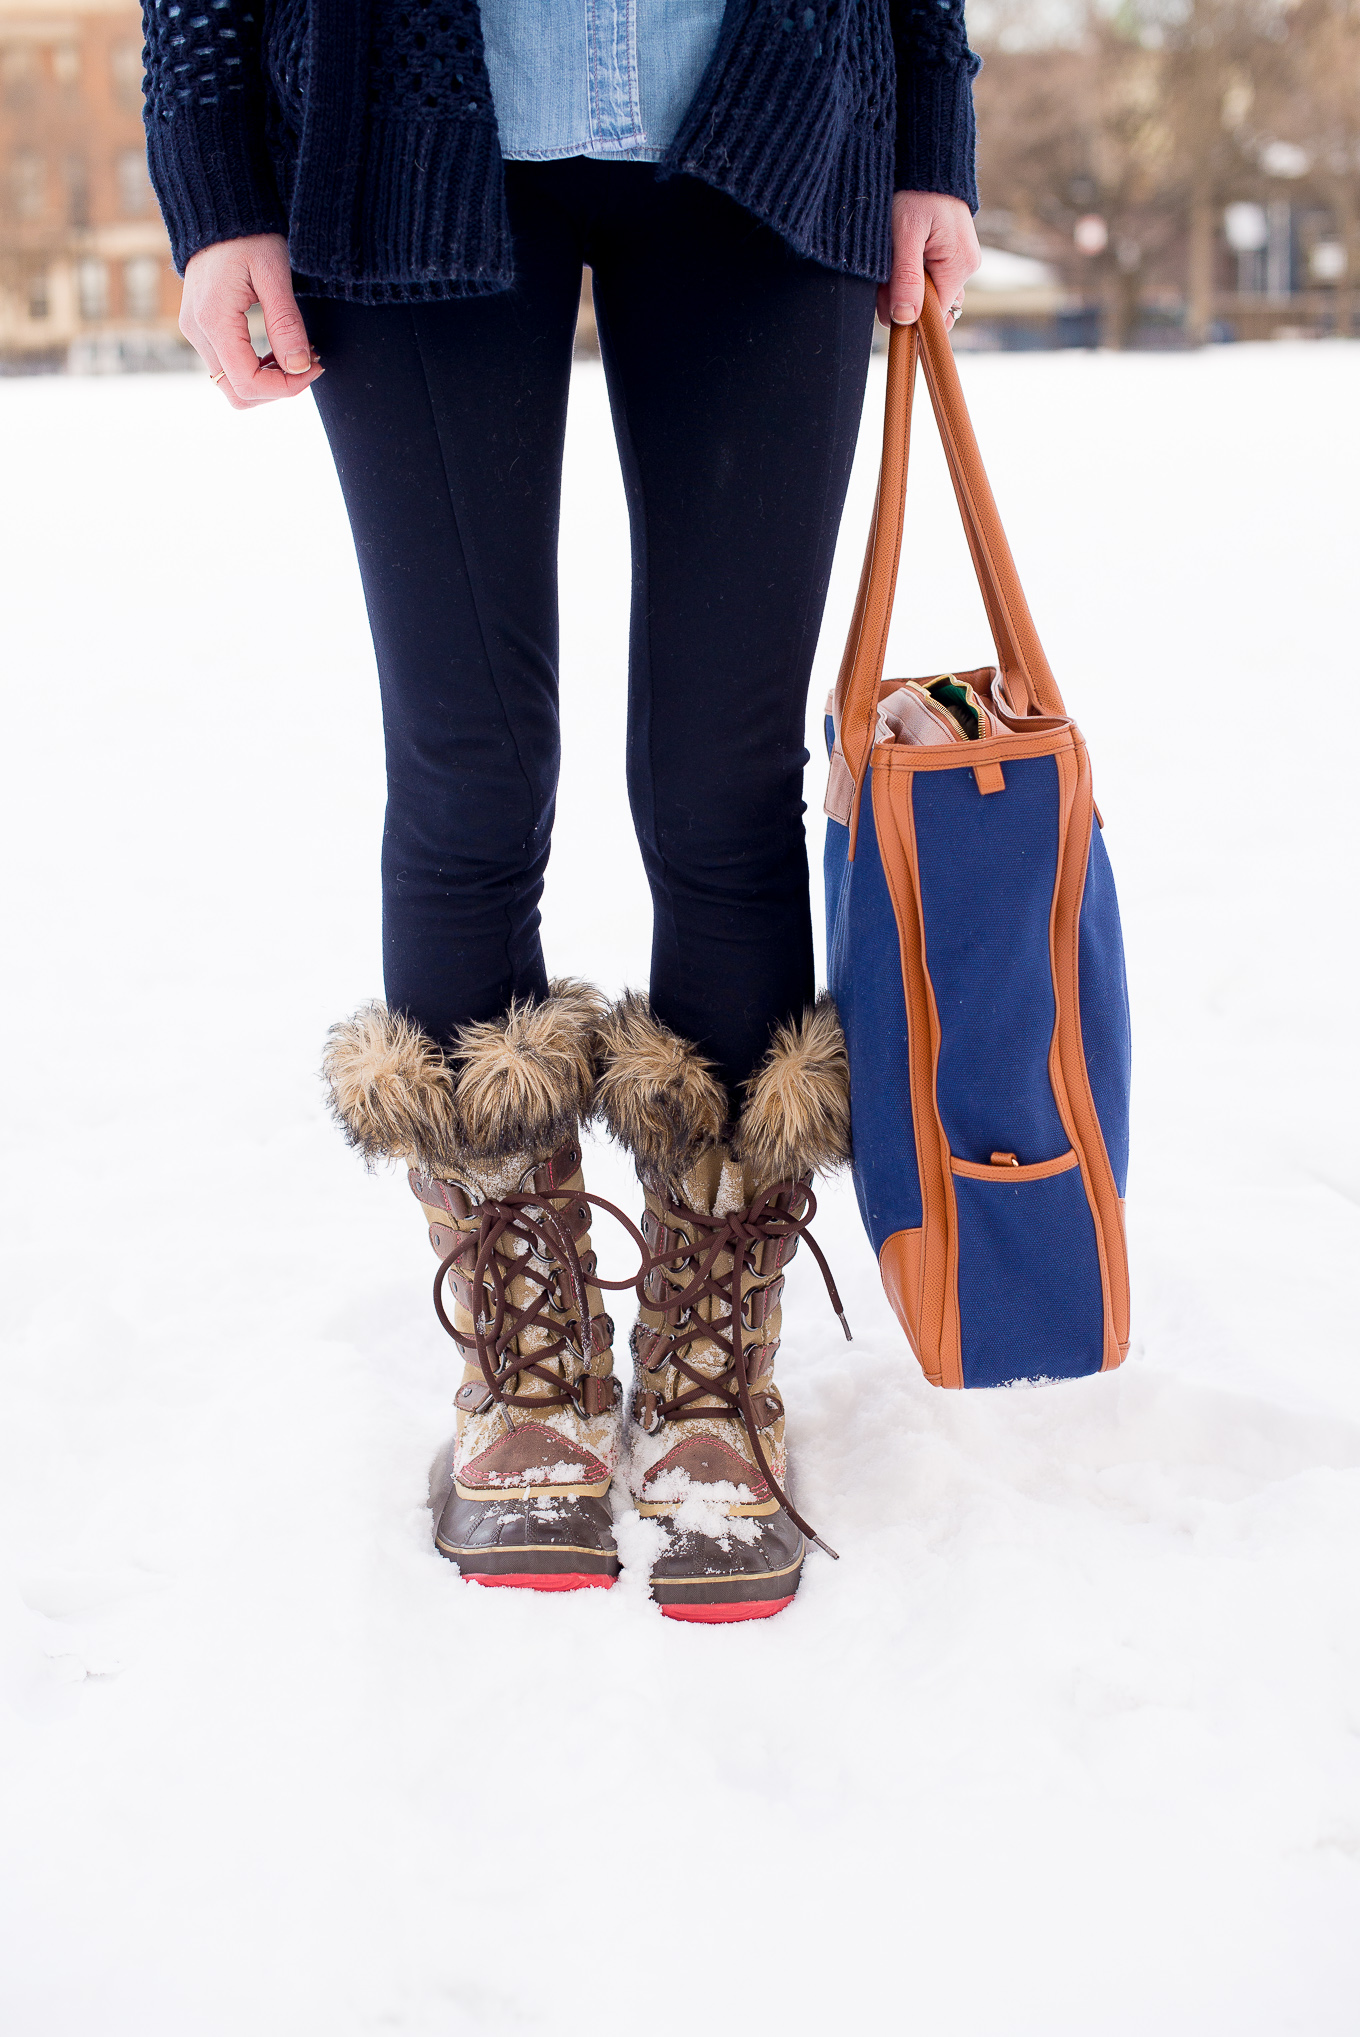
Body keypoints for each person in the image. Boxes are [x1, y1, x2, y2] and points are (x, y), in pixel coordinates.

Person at [143, 0, 981, 1621]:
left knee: (726, 783)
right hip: (398, 127)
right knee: (468, 767)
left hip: (777, 112)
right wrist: (213, 179)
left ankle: (707, 1363)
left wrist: (931, 123)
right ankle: (525, 1356)